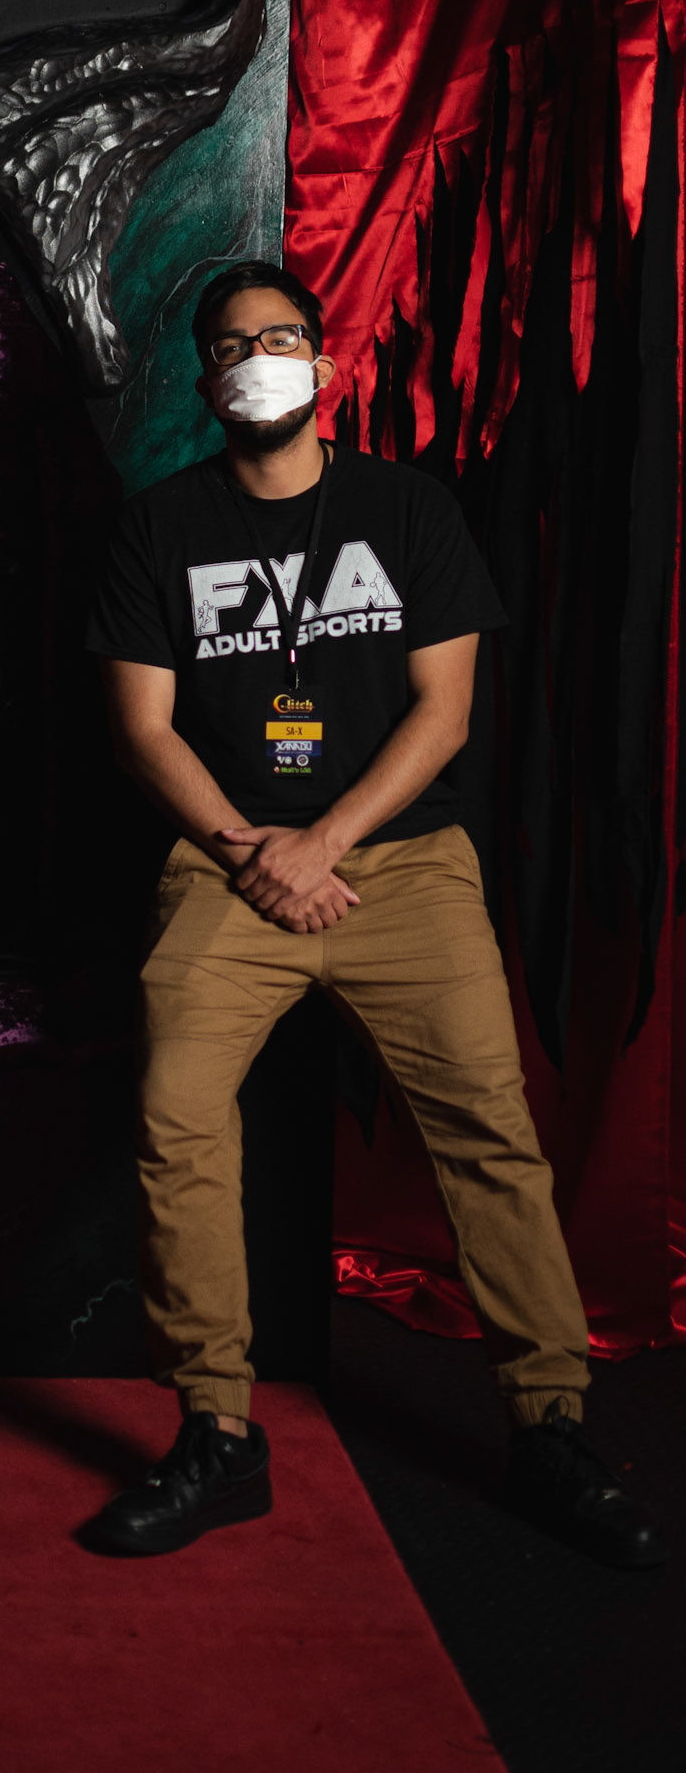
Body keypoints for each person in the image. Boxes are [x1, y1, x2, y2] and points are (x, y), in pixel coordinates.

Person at [83, 261, 666, 1567]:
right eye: (232, 345)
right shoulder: (159, 527)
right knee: (176, 1113)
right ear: (205, 382)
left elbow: (444, 713)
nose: (258, 358)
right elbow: (141, 729)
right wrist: (254, 851)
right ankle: (216, 1429)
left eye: (280, 336)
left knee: (489, 1126)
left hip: (397, 862)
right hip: (227, 860)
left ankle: (550, 1426)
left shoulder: (406, 508)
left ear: (325, 362)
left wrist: (323, 842)